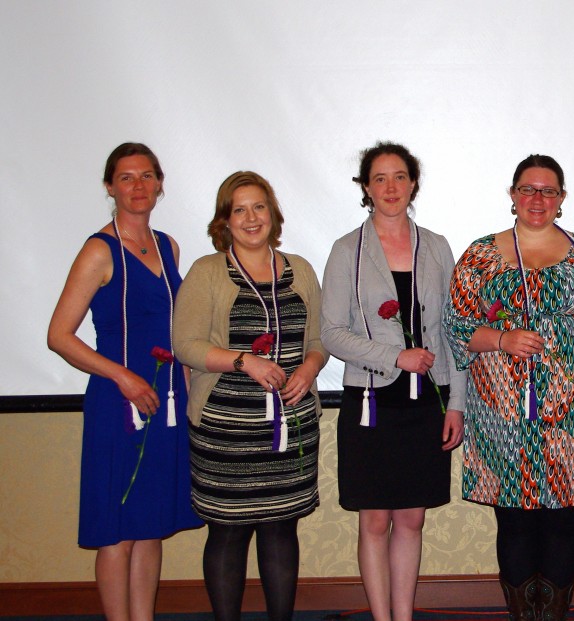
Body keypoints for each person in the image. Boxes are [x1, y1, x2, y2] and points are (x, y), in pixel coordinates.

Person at [443, 154, 574, 621]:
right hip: (500, 415)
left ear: (562, 199)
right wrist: (502, 339)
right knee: (516, 523)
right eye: (528, 189)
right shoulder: (481, 255)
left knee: (564, 524)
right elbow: (455, 326)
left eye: (548, 191)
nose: (537, 199)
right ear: (512, 195)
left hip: (572, 415)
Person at [47, 142, 201, 621]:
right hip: (119, 401)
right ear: (110, 187)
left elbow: (180, 330)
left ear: (159, 185)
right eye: (127, 177)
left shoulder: (168, 246)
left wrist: (192, 394)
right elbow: (59, 336)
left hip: (168, 399)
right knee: (117, 527)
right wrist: (124, 377)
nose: (138, 186)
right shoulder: (99, 250)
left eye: (147, 176)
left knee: (150, 523)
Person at [320, 142, 466, 621]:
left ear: (413, 184)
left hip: (427, 404)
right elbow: (331, 333)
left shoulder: (438, 247)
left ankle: (403, 616)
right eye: (379, 179)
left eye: (399, 177)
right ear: (365, 187)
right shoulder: (347, 250)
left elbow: (454, 332)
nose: (390, 188)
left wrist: (456, 404)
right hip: (371, 403)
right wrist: (394, 356)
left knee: (412, 518)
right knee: (375, 519)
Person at [173, 171, 327, 621]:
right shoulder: (207, 272)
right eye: (239, 209)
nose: (251, 217)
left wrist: (310, 368)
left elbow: (317, 341)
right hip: (225, 431)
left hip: (290, 428)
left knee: (281, 531)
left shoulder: (300, 269)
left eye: (259, 206)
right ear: (225, 219)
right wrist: (245, 361)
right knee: (227, 534)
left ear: (272, 214)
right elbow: (186, 344)